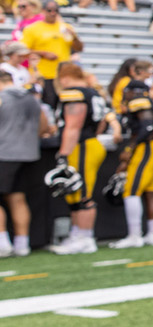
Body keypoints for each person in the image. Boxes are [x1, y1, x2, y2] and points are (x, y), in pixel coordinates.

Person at [46, 60, 115, 255]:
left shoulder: (75, 92)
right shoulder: (92, 91)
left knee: (83, 192)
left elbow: (73, 126)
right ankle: (77, 235)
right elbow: (101, 123)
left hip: (82, 145)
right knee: (75, 192)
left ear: (64, 77)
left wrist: (63, 153)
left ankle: (85, 238)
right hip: (90, 143)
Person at [112, 75, 153, 248]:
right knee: (149, 192)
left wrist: (130, 149)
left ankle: (135, 236)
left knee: (131, 191)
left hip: (147, 147)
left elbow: (148, 126)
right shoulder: (146, 101)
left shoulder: (139, 101)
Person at [0, 75, 44, 256]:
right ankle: (22, 244)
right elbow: (43, 122)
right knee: (17, 198)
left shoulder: (3, 97)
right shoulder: (30, 97)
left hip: (4, 152)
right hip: (29, 153)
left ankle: (2, 244)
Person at [21, 1, 78, 85]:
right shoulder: (32, 28)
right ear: (43, 11)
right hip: (42, 74)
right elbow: (22, 50)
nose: (53, 13)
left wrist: (75, 37)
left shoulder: (65, 28)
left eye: (56, 10)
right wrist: (43, 53)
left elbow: (79, 48)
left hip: (63, 76)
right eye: (49, 10)